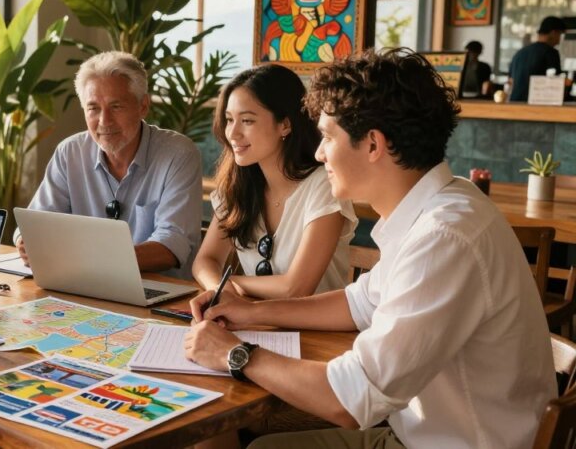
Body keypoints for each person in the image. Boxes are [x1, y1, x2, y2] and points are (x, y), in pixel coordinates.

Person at [185, 48, 555, 449]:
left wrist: (236, 355)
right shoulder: (439, 206)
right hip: (414, 431)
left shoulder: (443, 237)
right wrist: (251, 312)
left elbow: (351, 398)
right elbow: (358, 303)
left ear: (373, 145)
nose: (318, 153)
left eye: (328, 137)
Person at [15, 51, 202, 277]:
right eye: (93, 108)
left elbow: (172, 245)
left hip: (158, 293)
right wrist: (26, 241)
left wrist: (86, 259)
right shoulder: (70, 152)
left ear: (143, 106)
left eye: (116, 107)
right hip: (85, 287)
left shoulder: (178, 154)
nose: (104, 121)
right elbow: (36, 222)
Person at [190, 65, 356, 303]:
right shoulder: (237, 185)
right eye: (229, 120)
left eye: (247, 120)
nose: (233, 133)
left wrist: (228, 284)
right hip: (251, 322)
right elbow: (205, 261)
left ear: (285, 125)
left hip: (318, 334)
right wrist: (219, 287)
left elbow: (296, 288)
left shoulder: (324, 185)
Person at [508, 15, 567, 102]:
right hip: (537, 106)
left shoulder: (520, 53)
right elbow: (555, 84)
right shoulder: (550, 52)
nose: (559, 40)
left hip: (514, 105)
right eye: (560, 35)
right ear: (554, 33)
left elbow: (511, 81)